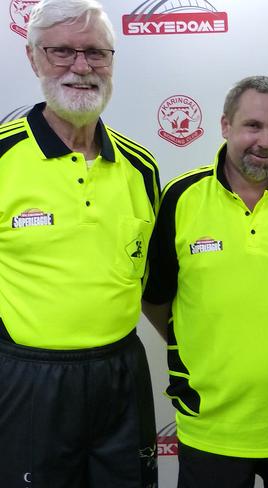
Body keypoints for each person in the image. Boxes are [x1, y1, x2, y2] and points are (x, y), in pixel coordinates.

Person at [142, 75, 268, 488]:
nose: (264, 141)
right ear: (225, 126)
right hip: (210, 430)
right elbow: (156, 298)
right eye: (252, 126)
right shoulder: (181, 198)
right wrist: (202, 346)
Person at [0, 0, 160, 487]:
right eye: (62, 52)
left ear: (112, 61)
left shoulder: (141, 167)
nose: (81, 67)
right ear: (32, 58)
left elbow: (151, 278)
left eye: (95, 53)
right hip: (29, 379)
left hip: (122, 375)